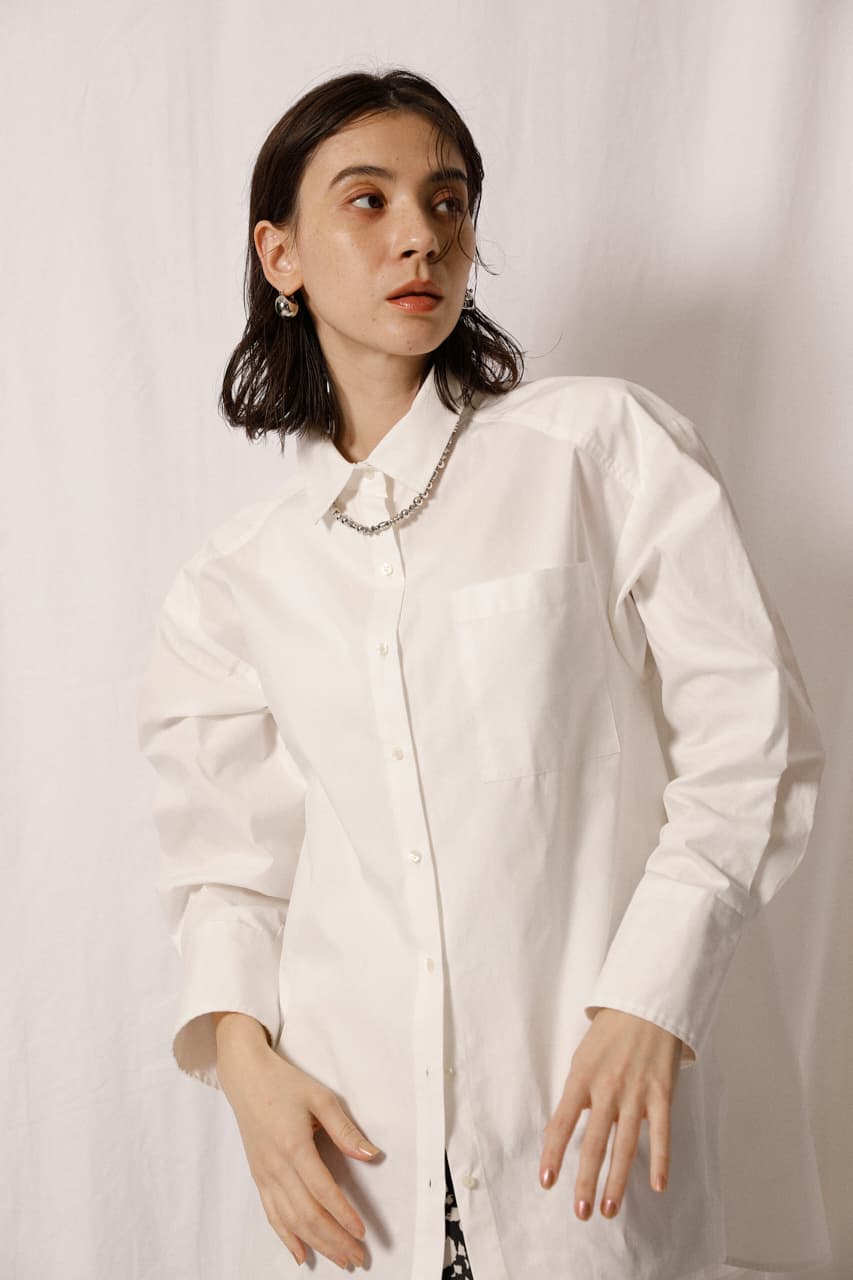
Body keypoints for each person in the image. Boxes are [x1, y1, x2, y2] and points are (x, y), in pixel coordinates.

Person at [136, 68, 830, 1280]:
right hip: (351, 1172)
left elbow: (751, 738)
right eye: (368, 199)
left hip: (582, 1148)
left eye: (447, 200)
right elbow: (230, 872)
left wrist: (648, 994)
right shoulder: (231, 581)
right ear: (279, 254)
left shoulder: (597, 450)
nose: (421, 234)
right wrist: (245, 1067)